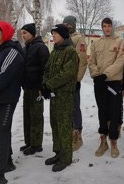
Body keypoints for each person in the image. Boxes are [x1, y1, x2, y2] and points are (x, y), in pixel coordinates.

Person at [0, 21, 24, 184]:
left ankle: (0, 175)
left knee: (1, 131)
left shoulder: (12, 52)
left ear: (5, 32)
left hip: (7, 99)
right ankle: (7, 163)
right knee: (1, 131)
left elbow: (3, 77)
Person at [88, 17, 124, 158]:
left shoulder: (120, 41)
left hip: (113, 82)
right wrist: (96, 75)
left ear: (113, 26)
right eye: (105, 26)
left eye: (109, 26)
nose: (107, 28)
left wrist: (105, 75)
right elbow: (91, 61)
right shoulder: (97, 42)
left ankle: (114, 142)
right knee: (102, 111)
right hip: (99, 83)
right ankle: (103, 142)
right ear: (102, 27)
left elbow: (120, 62)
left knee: (114, 112)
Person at [42, 24, 78, 172]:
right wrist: (44, 85)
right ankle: (58, 153)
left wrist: (49, 84)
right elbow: (47, 70)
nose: (53, 36)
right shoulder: (55, 51)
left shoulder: (70, 52)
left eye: (55, 33)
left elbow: (66, 74)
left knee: (64, 126)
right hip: (54, 95)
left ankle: (66, 157)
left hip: (65, 96)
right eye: (52, 34)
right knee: (55, 124)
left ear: (63, 35)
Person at [20, 23, 50, 155]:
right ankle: (29, 142)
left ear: (32, 33)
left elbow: (46, 69)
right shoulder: (26, 48)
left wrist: (42, 87)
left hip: (36, 89)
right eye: (22, 33)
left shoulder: (41, 48)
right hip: (27, 87)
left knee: (36, 116)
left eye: (25, 33)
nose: (23, 35)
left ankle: (37, 144)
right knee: (27, 115)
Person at [62, 15, 87, 151]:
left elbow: (82, 61)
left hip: (73, 80)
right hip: (63, 81)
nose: (67, 26)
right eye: (65, 24)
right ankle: (68, 134)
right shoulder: (62, 38)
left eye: (69, 24)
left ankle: (77, 136)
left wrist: (77, 79)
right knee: (66, 108)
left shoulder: (79, 39)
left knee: (74, 107)